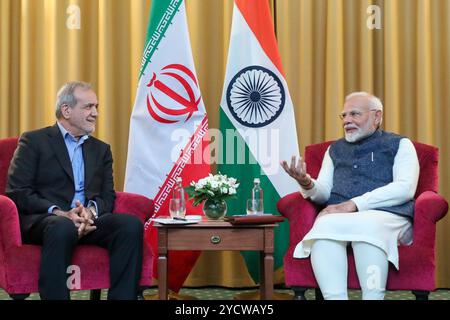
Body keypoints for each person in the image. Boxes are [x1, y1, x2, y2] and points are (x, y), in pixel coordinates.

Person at [6, 81, 144, 300]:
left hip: (88, 221)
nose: (95, 113)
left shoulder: (101, 150)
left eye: (96, 107)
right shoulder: (34, 141)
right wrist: (60, 213)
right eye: (88, 107)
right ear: (66, 110)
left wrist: (90, 212)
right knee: (62, 226)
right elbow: (18, 192)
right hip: (47, 219)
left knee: (129, 225)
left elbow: (107, 195)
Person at [281, 92, 419, 300]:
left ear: (377, 116)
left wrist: (354, 204)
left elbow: (405, 188)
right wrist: (306, 182)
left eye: (354, 114)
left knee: (367, 227)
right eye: (344, 116)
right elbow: (324, 191)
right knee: (323, 228)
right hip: (342, 218)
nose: (347, 121)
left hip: (388, 216)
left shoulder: (400, 144)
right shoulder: (334, 150)